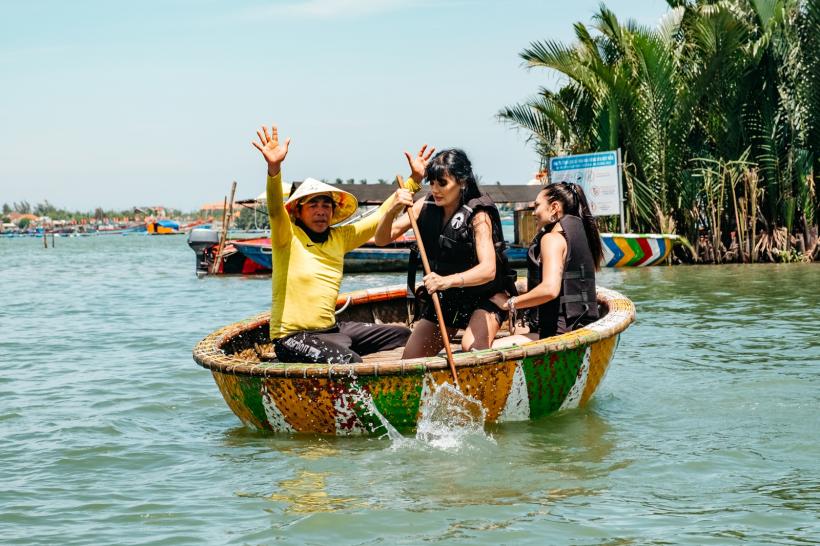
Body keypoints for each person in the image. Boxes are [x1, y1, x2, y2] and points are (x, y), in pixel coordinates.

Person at [251, 124, 418, 364]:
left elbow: (379, 216)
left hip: (331, 330)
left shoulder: (339, 238)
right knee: (348, 362)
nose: (321, 211)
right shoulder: (287, 236)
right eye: (313, 205)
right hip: (292, 338)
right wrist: (274, 168)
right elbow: (276, 208)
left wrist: (414, 180)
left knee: (404, 335)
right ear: (297, 211)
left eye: (326, 205)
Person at [375, 148, 517, 358]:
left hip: (486, 297)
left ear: (462, 182)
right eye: (431, 183)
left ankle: (514, 342)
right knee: (411, 359)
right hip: (447, 298)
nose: (435, 190)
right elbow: (382, 239)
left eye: (442, 183)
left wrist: (445, 281)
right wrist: (392, 210)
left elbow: (488, 270)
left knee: (472, 350)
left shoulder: (479, 215)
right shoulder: (424, 205)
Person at [492, 182, 603, 348]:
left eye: (537, 206)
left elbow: (550, 289)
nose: (533, 212)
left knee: (483, 349)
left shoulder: (552, 239)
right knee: (518, 331)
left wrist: (509, 303)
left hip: (559, 335)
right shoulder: (581, 234)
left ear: (554, 208)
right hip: (580, 327)